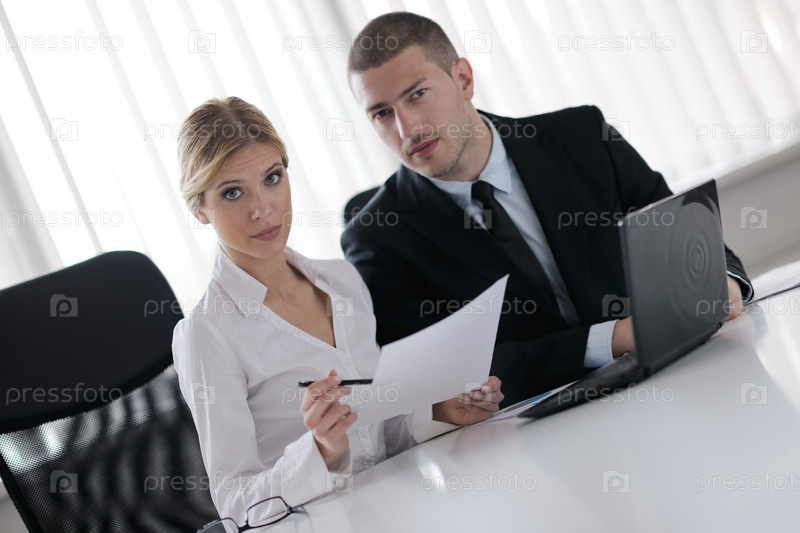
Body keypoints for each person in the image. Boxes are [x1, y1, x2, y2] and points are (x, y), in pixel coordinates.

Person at [341, 12, 753, 406]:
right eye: (382, 113)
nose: (407, 128)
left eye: (417, 95)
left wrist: (725, 283)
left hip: (679, 379)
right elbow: (440, 380)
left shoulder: (582, 136)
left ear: (463, 79)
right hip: (530, 432)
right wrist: (614, 338)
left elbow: (686, 234)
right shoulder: (376, 237)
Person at [172, 96, 504, 524]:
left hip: (400, 509)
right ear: (199, 209)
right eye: (232, 192)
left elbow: (379, 434)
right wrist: (321, 452)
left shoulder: (342, 281)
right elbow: (236, 505)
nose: (262, 209)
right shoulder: (207, 333)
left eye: (272, 178)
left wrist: (439, 412)